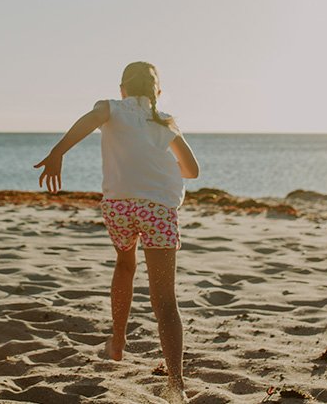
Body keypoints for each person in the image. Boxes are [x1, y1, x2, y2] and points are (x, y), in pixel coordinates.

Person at [35, 61, 199, 400]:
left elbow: (86, 123)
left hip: (119, 206)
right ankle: (176, 385)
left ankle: (118, 342)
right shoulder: (165, 122)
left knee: (125, 264)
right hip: (158, 209)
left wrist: (57, 152)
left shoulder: (110, 108)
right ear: (157, 92)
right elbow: (192, 170)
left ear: (122, 88)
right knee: (165, 300)